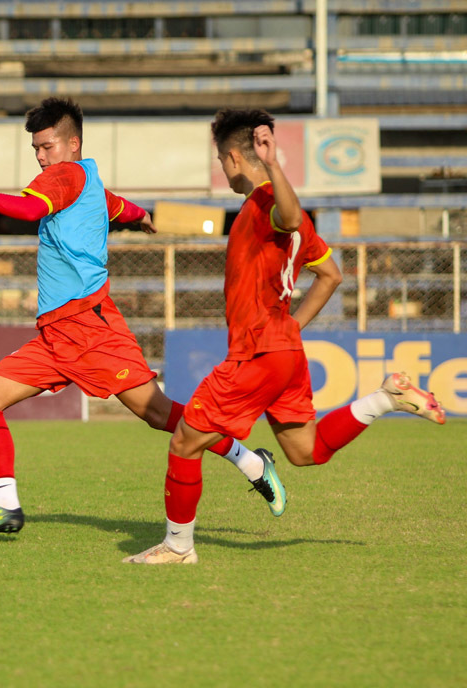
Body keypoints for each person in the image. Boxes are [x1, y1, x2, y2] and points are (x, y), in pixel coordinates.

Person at [0, 97, 285, 537]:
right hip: (55, 335)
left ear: (73, 144)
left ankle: (250, 461)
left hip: (91, 329)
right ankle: (6, 506)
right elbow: (117, 206)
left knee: (158, 415)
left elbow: (29, 209)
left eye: (48, 146)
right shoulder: (87, 179)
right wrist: (142, 216)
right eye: (36, 149)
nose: (41, 156)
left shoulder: (65, 175)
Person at [126, 109, 446, 565]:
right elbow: (331, 275)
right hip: (284, 350)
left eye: (221, 159)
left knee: (184, 442)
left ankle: (178, 548)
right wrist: (291, 328)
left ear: (234, 157)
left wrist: (275, 166)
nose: (222, 168)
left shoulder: (264, 206)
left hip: (257, 351)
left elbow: (290, 216)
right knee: (304, 450)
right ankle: (385, 400)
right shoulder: (271, 214)